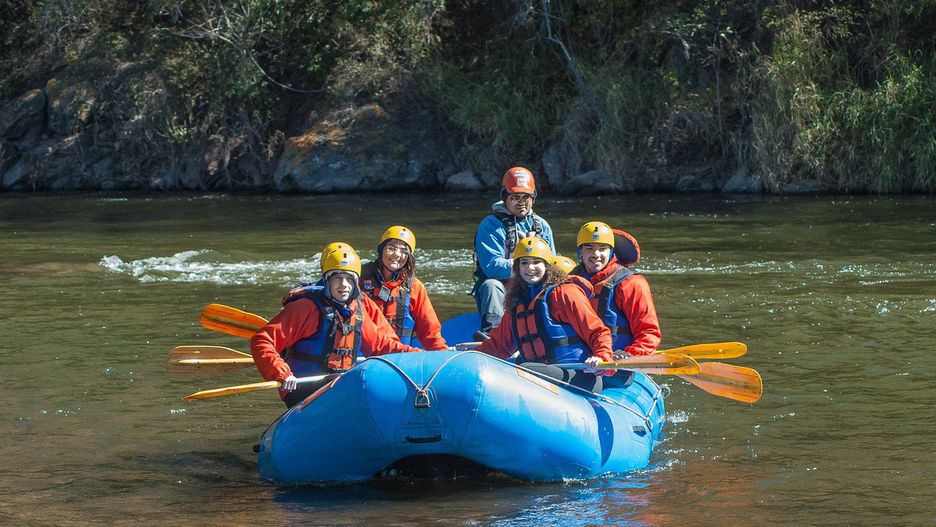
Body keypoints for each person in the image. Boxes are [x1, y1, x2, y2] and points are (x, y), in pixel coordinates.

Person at [251, 243, 423, 407]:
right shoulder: (306, 307)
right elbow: (262, 340)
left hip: (338, 387)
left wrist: (421, 356)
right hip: (303, 391)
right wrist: (281, 373)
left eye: (349, 279)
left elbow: (381, 346)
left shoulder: (357, 309)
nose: (344, 285)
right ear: (327, 280)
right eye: (337, 278)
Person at [475, 237, 614, 393]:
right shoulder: (517, 302)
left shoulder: (564, 293)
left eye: (536, 262)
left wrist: (601, 356)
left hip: (579, 376)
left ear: (547, 266)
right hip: (539, 375)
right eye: (524, 262)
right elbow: (498, 345)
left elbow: (598, 332)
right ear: (517, 268)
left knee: (522, 369)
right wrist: (470, 358)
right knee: (519, 365)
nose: (530, 268)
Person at [471, 166, 555, 341]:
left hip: (535, 285)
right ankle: (492, 335)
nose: (521, 202)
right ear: (505, 197)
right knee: (491, 285)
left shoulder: (542, 226)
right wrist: (524, 262)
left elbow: (553, 264)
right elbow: (492, 267)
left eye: (526, 197)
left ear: (533, 198)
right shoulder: (490, 225)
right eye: (515, 197)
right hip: (503, 289)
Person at [572, 222, 662, 357]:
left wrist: (629, 356)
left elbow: (649, 333)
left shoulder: (631, 283)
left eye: (602, 248)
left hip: (619, 360)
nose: (596, 254)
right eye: (589, 248)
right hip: (580, 360)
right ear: (580, 251)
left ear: (611, 252)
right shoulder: (569, 282)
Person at [360, 226, 447, 350]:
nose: (397, 254)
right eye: (391, 248)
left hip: (398, 356)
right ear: (381, 250)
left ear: (409, 257)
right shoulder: (357, 279)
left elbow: (430, 332)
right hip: (362, 356)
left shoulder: (415, 287)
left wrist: (441, 353)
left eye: (403, 251)